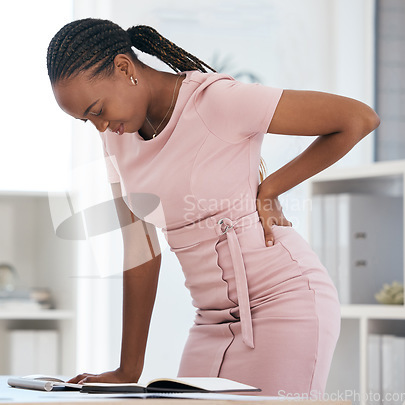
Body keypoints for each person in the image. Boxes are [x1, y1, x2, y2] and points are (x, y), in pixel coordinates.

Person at [46, 18, 380, 396]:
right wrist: (128, 369)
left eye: (97, 109)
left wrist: (270, 189)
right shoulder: (117, 139)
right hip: (210, 323)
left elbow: (357, 119)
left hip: (285, 305)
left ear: (124, 68)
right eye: (86, 119)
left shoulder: (217, 101)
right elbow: (140, 251)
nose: (100, 127)